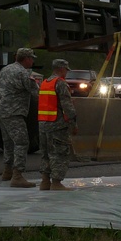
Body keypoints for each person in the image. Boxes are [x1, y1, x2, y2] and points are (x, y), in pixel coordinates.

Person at [0, 47, 39, 188]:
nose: (32, 61)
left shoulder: (5, 69)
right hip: (13, 112)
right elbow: (35, 92)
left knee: (8, 142)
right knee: (22, 142)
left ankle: (7, 171)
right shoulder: (22, 73)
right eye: (31, 58)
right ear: (26, 59)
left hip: (0, 110)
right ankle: (17, 175)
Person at [38, 58, 78, 191]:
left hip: (43, 124)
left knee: (46, 153)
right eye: (66, 70)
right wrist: (73, 123)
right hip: (57, 125)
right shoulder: (60, 83)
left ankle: (45, 182)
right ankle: (56, 182)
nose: (66, 72)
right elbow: (67, 106)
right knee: (60, 153)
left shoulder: (45, 83)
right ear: (61, 69)